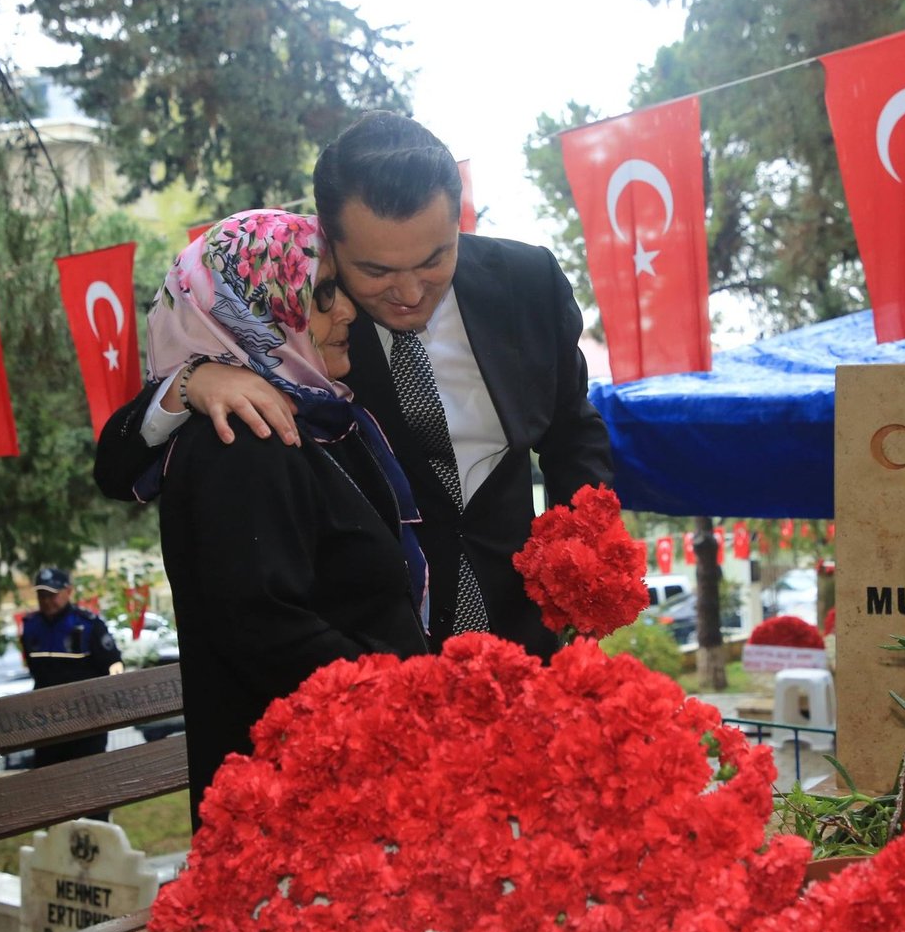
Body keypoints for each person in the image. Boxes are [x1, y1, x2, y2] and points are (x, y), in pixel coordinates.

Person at [96, 111, 613, 659]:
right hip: (373, 650)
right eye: (376, 272)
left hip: (522, 625)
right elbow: (118, 467)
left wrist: (584, 559)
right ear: (330, 241)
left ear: (459, 222)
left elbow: (572, 433)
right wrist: (192, 378)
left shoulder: (528, 282)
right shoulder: (302, 320)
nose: (410, 292)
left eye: (436, 259)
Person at [135, 209, 431, 825]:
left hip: (342, 780)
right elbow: (264, 628)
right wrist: (406, 704)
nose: (347, 313)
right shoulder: (239, 440)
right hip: (298, 805)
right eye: (322, 297)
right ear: (256, 308)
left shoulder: (311, 413)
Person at [20, 567, 123, 783]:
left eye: (52, 594)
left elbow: (113, 662)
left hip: (87, 719)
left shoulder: (87, 624)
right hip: (46, 722)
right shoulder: (30, 627)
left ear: (68, 591)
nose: (47, 601)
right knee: (49, 784)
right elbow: (34, 669)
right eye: (42, 595)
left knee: (91, 782)